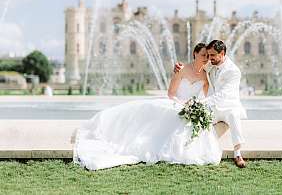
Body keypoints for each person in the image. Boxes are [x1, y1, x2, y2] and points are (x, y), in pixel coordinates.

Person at [73, 43, 222, 170]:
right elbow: (171, 93)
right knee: (168, 115)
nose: (206, 58)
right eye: (203, 55)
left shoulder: (205, 74)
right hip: (175, 102)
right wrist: (183, 104)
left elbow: (208, 95)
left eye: (208, 56)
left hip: (190, 107)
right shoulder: (182, 69)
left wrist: (197, 107)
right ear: (195, 54)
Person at [174, 40, 247, 168]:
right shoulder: (211, 64)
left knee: (234, 116)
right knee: (196, 121)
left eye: (212, 55)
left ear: (222, 53)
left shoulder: (233, 71)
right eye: (208, 55)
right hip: (213, 107)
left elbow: (222, 95)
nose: (209, 58)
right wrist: (181, 68)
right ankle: (190, 148)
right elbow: (196, 67)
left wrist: (200, 103)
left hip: (229, 106)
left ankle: (237, 154)